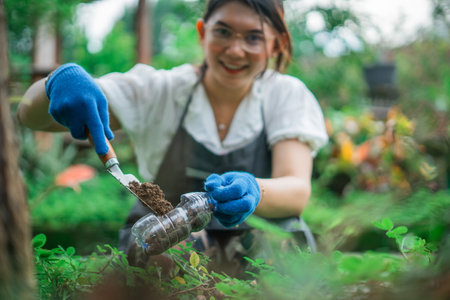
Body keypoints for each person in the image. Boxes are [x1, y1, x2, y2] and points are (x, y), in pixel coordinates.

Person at [18, 0, 328, 275]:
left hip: (259, 238)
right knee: (164, 259)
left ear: (277, 44)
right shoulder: (161, 91)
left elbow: (296, 190)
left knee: (289, 252)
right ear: (202, 32)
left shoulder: (286, 95)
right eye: (222, 32)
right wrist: (56, 82)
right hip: (166, 239)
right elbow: (31, 116)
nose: (235, 50)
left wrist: (255, 190)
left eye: (253, 37)